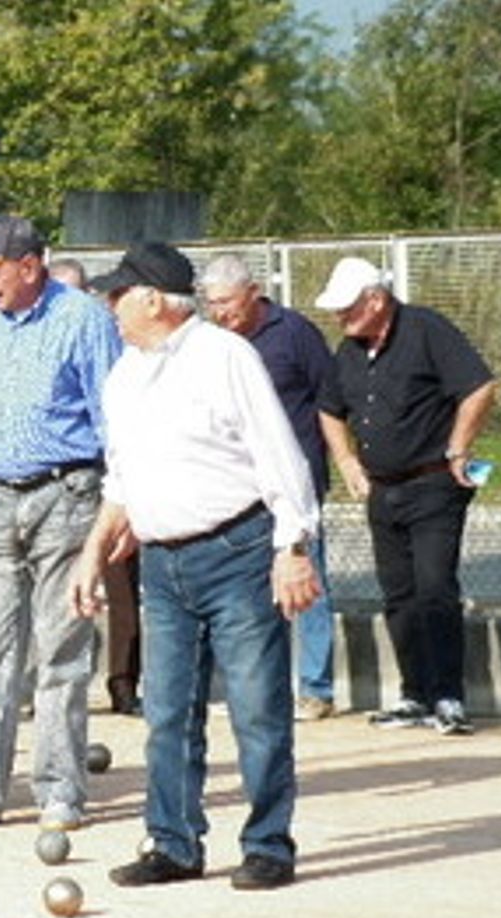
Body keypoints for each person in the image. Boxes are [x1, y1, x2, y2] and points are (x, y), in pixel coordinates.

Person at [72, 242, 321, 891]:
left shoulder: (225, 357)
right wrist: (92, 553)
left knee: (256, 708)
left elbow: (280, 455)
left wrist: (291, 548)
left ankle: (268, 844)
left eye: (118, 295)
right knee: (168, 713)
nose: (110, 306)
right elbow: (120, 479)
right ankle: (174, 843)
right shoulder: (124, 376)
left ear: (153, 299)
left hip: (237, 551)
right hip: (163, 564)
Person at [0, 215, 124, 835]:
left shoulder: (84, 319)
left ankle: (59, 788)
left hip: (65, 495)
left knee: (61, 648)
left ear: (31, 265)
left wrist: (116, 509)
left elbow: (114, 419)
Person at [314, 257, 496, 736]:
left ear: (376, 300)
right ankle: (414, 693)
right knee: (399, 596)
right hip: (383, 490)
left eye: (348, 309)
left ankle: (448, 695)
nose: (341, 319)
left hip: (433, 484)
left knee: (435, 588)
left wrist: (459, 446)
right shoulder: (349, 350)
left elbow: (479, 387)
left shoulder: (426, 329)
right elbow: (330, 409)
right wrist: (348, 461)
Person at [199, 254, 339, 721]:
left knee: (305, 585)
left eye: (228, 302)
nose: (221, 312)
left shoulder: (294, 332)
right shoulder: (210, 343)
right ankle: (255, 691)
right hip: (236, 489)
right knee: (244, 596)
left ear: (253, 292)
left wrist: (335, 462)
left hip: (293, 484)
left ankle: (316, 689)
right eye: (212, 303)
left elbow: (330, 399)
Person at [48, 256, 143, 716]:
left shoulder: (120, 343)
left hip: (112, 476)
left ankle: (124, 685)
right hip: (61, 482)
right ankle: (53, 686)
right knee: (57, 589)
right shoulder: (38, 342)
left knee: (121, 588)